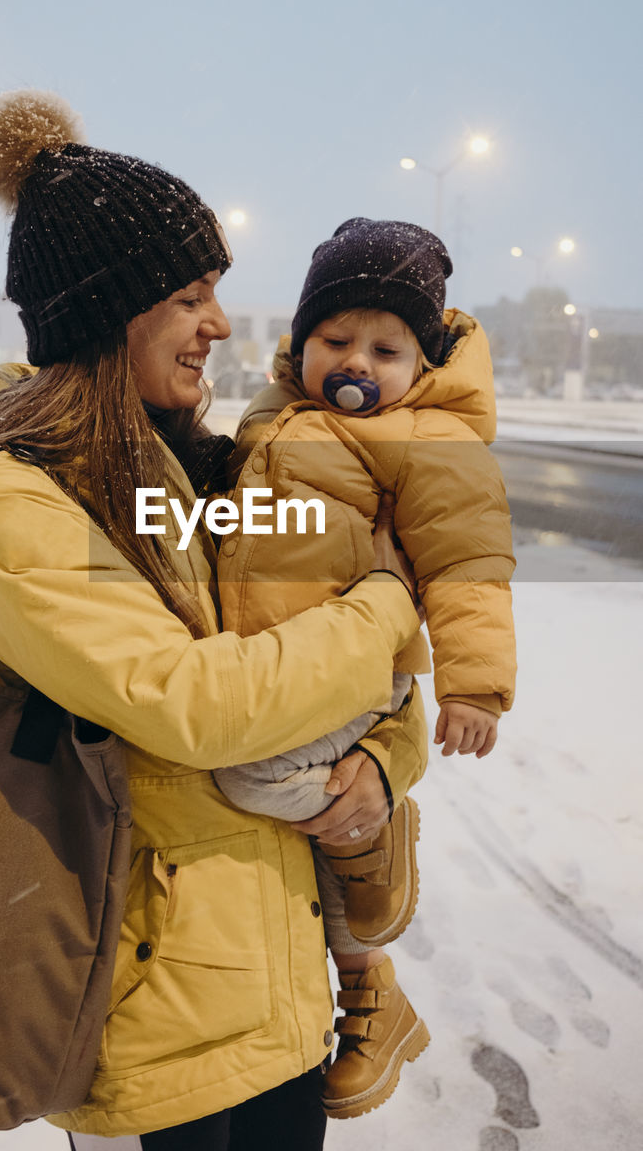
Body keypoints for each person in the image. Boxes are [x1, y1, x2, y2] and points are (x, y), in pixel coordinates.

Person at [0, 93, 426, 1148]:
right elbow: (194, 703)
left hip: (277, 998)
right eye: (189, 295)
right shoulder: (16, 496)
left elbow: (333, 624)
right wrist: (390, 603)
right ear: (107, 313)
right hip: (151, 1028)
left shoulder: (199, 470)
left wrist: (382, 756)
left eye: (216, 291)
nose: (219, 323)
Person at [214, 217, 517, 1119]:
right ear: (300, 343)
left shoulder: (426, 438)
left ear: (420, 364)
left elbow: (467, 563)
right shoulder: (271, 419)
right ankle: (370, 998)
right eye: (335, 339)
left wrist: (473, 686)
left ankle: (374, 828)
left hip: (352, 669)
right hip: (281, 664)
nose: (357, 363)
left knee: (253, 770)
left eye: (386, 348)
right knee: (310, 845)